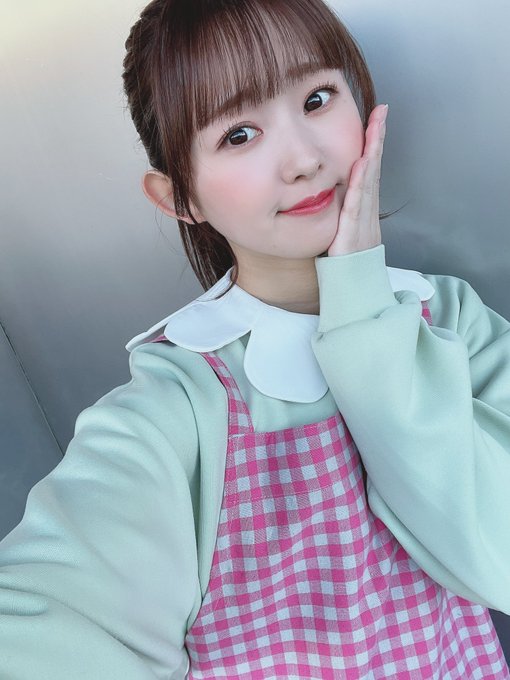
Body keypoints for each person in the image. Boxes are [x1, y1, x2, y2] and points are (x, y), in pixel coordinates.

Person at [1, 0, 510, 677]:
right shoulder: (177, 409)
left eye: (317, 98)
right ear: (179, 198)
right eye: (239, 134)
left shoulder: (450, 318)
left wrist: (363, 308)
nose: (303, 159)